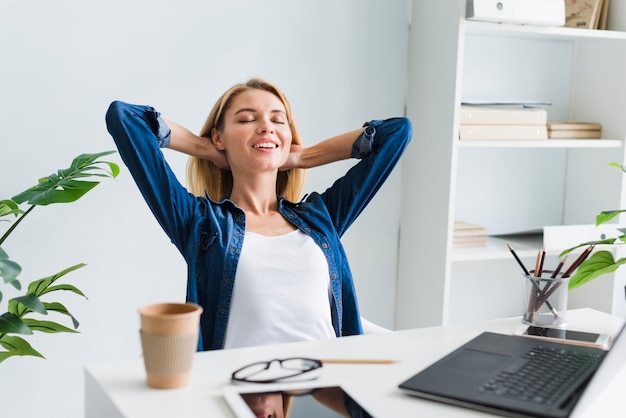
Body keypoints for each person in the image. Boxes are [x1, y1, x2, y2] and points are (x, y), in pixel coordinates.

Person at [105, 78, 411, 415]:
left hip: (329, 383)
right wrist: (206, 149)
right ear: (219, 136)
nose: (266, 125)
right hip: (232, 389)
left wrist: (305, 156)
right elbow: (125, 119)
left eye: (278, 120)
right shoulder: (202, 224)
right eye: (247, 119)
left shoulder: (322, 218)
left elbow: (396, 133)